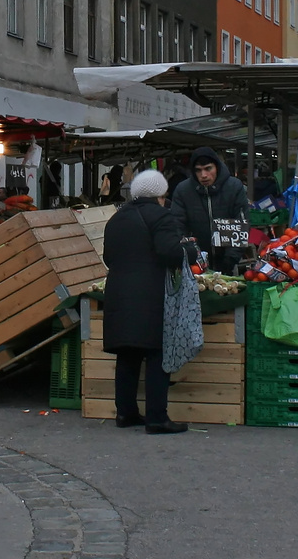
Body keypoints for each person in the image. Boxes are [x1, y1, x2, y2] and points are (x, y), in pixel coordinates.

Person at [101, 169, 192, 435]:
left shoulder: (116, 219)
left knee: (127, 354)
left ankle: (125, 412)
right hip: (149, 294)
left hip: (118, 292)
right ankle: (156, 418)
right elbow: (169, 252)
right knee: (156, 354)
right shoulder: (162, 216)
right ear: (160, 195)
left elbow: (108, 257)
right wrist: (188, 251)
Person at [168, 147, 250, 274]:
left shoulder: (234, 187)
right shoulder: (183, 191)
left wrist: (231, 259)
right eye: (198, 170)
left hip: (228, 261)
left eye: (208, 168)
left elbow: (241, 223)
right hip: (195, 264)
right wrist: (190, 254)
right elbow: (177, 225)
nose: (203, 175)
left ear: (216, 167)